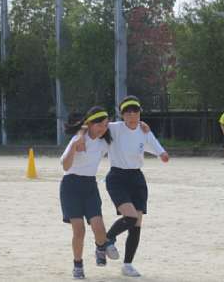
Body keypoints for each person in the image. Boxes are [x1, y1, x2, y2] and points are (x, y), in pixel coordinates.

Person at [105, 96, 169, 277]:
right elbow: (95, 126)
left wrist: (162, 154)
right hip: (117, 177)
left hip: (137, 179)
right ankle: (106, 239)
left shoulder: (144, 130)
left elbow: (156, 146)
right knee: (131, 217)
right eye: (128, 112)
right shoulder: (114, 128)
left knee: (137, 224)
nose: (132, 114)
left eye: (135, 111)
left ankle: (127, 264)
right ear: (122, 114)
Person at [60, 107, 119, 279]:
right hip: (71, 186)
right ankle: (78, 265)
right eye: (99, 125)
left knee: (99, 228)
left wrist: (142, 125)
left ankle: (100, 247)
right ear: (90, 124)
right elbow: (65, 166)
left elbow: (123, 127)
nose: (103, 129)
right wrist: (76, 144)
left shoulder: (104, 142)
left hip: (90, 186)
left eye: (105, 125)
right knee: (79, 230)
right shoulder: (78, 139)